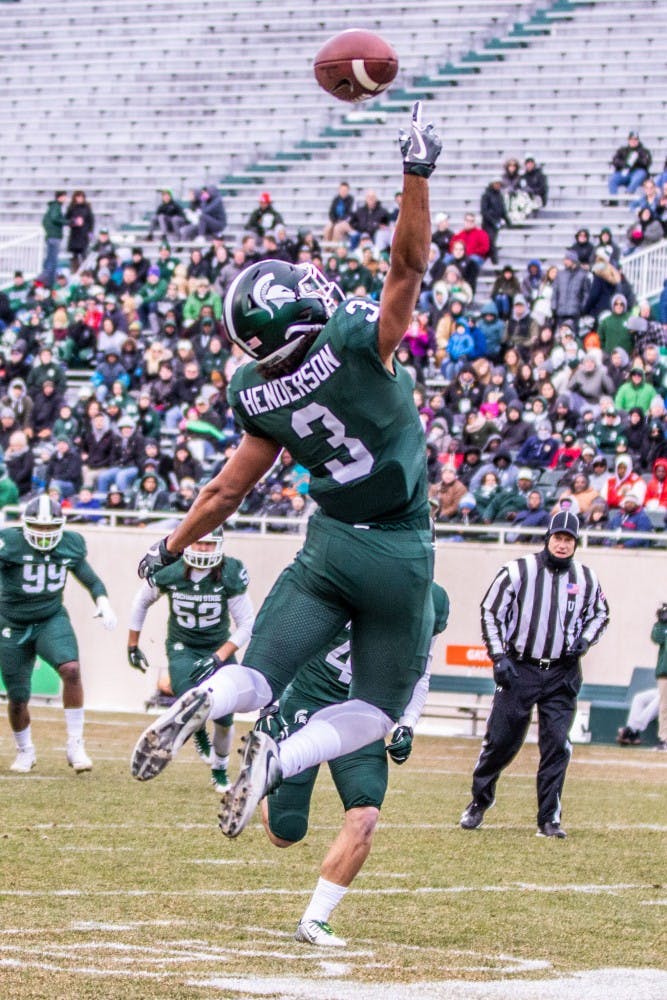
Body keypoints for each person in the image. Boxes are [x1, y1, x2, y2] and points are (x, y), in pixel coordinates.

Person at [130, 101, 443, 840]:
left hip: (327, 543)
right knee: (374, 709)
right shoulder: (353, 340)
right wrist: (416, 170)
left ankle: (205, 701)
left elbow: (224, 492)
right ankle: (275, 763)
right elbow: (409, 264)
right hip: (398, 547)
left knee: (261, 676)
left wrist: (167, 550)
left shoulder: (255, 392)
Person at [256, 582, 449, 947]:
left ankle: (315, 918)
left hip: (362, 713)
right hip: (308, 703)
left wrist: (407, 722)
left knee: (366, 814)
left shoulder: (431, 601)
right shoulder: (344, 575)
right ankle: (261, 772)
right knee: (285, 833)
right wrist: (270, 706)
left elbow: (419, 670)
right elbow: (283, 640)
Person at [460, 511, 609, 837]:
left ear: (575, 544)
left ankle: (549, 818)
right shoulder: (518, 571)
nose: (562, 544)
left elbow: (601, 613)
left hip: (561, 672)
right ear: (547, 538)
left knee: (557, 744)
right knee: (501, 741)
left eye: (568, 540)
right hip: (520, 667)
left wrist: (584, 640)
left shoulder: (586, 578)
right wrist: (498, 656)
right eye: (557, 537)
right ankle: (478, 802)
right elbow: (490, 611)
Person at [127, 528, 255, 790]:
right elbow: (140, 602)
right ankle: (198, 732)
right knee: (189, 698)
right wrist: (132, 644)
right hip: (182, 646)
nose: (203, 549)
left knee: (225, 718)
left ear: (219, 545)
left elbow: (247, 624)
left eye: (210, 544)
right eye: (198, 542)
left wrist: (219, 657)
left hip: (218, 648)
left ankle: (220, 769)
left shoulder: (230, 572)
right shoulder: (171, 570)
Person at [0, 495, 117, 773]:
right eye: (38, 528)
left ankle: (75, 744)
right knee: (17, 699)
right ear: (26, 525)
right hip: (11, 623)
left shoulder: (69, 544)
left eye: (50, 527)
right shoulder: (9, 544)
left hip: (50, 618)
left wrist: (102, 601)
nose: (43, 534)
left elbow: (91, 579)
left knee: (72, 668)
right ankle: (25, 750)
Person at [607, 130, 653, 200]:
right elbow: (615, 160)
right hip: (624, 171)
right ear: (628, 140)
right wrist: (624, 164)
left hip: (637, 172)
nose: (633, 141)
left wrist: (636, 161)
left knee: (640, 174)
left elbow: (647, 162)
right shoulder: (622, 150)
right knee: (613, 179)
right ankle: (613, 200)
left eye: (635, 139)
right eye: (631, 139)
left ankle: (628, 194)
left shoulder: (644, 151)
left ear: (638, 140)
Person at [40, 190, 67, 288]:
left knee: (50, 259)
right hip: (54, 236)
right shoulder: (56, 207)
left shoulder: (52, 207)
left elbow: (44, 221)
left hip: (51, 236)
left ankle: (44, 280)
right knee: (52, 261)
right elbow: (55, 218)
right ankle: (47, 282)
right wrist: (67, 222)